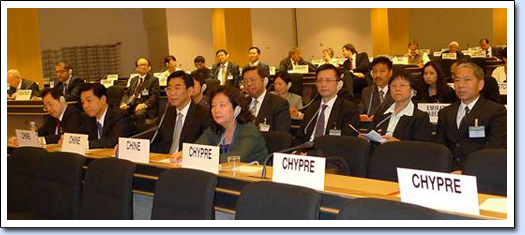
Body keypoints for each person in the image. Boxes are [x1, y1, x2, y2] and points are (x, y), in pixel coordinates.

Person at [436, 62, 506, 169]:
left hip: (481, 172)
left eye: (467, 80)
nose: (461, 85)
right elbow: (440, 149)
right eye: (457, 80)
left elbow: (493, 149)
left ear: (481, 84)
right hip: (449, 173)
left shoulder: (495, 111)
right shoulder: (445, 113)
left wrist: (466, 171)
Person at [194, 86, 268, 163]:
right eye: (213, 106)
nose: (216, 110)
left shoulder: (249, 130)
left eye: (222, 105)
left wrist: (206, 158)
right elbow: (195, 149)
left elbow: (237, 156)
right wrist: (184, 154)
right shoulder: (214, 128)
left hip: (251, 174)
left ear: (237, 109)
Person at [295, 64, 360, 144]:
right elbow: (299, 138)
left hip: (331, 153)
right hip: (307, 153)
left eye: (328, 80)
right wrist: (297, 152)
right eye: (319, 80)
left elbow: (346, 142)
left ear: (338, 84)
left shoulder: (349, 109)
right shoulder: (311, 109)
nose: (323, 85)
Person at [150, 71, 210, 154]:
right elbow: (156, 142)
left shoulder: (203, 114)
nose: (172, 93)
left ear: (189, 91)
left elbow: (205, 147)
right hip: (165, 162)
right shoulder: (165, 113)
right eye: (169, 89)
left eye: (177, 88)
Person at [366, 70, 432, 142]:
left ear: (413, 90)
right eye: (393, 85)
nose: (397, 89)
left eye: (402, 85)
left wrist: (398, 143)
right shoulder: (381, 113)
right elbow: (370, 134)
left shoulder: (420, 117)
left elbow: (421, 147)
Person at [8, 87, 82, 145]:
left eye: (50, 104)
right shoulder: (52, 117)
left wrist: (42, 140)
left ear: (62, 100)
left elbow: (66, 136)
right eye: (46, 107)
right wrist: (21, 139)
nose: (49, 109)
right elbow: (40, 132)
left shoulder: (74, 114)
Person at [78, 83, 135, 149]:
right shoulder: (86, 118)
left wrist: (85, 144)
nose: (85, 106)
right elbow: (79, 137)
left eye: (89, 100)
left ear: (102, 100)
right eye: (83, 102)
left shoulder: (121, 116)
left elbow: (113, 141)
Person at [242, 65, 291, 133]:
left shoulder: (279, 104)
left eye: (252, 80)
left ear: (264, 81)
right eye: (245, 81)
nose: (248, 84)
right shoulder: (242, 103)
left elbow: (281, 136)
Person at [120, 57, 160, 126]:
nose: (143, 67)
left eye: (145, 65)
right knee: (119, 112)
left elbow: (155, 96)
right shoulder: (134, 80)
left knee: (139, 113)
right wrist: (123, 103)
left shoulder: (153, 80)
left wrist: (144, 105)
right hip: (132, 104)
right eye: (141, 65)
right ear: (136, 68)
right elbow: (127, 94)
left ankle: (141, 134)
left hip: (145, 106)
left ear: (149, 67)